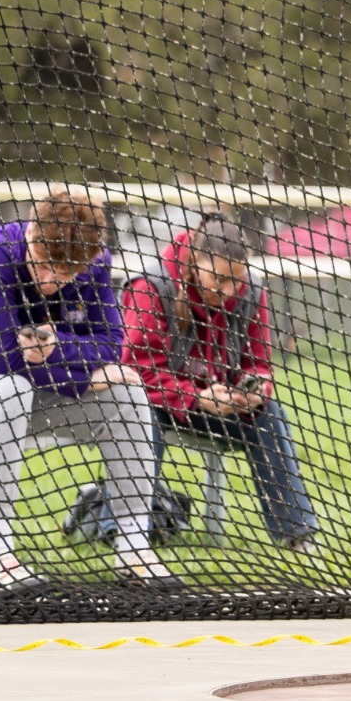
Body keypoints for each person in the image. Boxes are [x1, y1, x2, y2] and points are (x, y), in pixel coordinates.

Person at [0, 189, 173, 591]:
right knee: (9, 389)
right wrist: (85, 379)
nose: (50, 281)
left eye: (64, 274)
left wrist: (57, 345)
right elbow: (5, 360)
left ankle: (134, 547)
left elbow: (111, 345)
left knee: (129, 397)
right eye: (43, 264)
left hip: (34, 387)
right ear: (31, 230)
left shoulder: (95, 263)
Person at [121, 214, 317, 550]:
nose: (228, 291)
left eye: (236, 281)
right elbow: (137, 371)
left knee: (270, 416)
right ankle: (132, 530)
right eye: (220, 279)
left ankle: (297, 536)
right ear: (195, 262)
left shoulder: (252, 291)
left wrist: (255, 389)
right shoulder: (151, 286)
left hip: (221, 405)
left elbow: (258, 362)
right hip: (156, 404)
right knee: (139, 412)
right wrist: (197, 398)